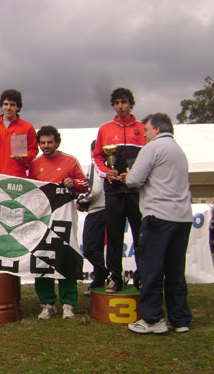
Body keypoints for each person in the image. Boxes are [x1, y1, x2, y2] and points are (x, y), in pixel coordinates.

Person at [122, 113, 193, 334]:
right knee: (175, 271)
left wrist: (126, 176)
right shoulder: (179, 151)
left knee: (152, 269)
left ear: (157, 130)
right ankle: (180, 319)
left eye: (146, 131)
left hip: (158, 217)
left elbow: (134, 180)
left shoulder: (152, 148)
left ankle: (153, 320)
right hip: (182, 218)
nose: (144, 135)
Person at [28, 126, 88, 319]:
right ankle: (47, 303)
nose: (46, 146)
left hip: (65, 219)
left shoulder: (70, 161)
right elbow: (30, 191)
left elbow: (85, 184)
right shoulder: (35, 164)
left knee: (66, 258)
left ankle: (68, 304)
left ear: (56, 142)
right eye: (43, 143)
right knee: (42, 258)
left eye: (50, 142)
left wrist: (74, 184)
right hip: (42, 220)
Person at [92, 87, 145, 293]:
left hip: (136, 191)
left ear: (131, 104)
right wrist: (107, 172)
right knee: (114, 236)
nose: (120, 106)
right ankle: (115, 278)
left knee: (141, 236)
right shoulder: (105, 129)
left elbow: (148, 159)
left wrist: (133, 176)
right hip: (113, 191)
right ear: (113, 106)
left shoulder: (142, 128)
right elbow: (97, 157)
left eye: (124, 102)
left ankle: (141, 277)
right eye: (117, 103)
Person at [0, 89, 38, 177]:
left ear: (18, 107)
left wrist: (24, 157)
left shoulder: (27, 127)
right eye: (5, 104)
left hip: (17, 176)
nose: (8, 108)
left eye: (12, 105)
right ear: (1, 106)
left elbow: (34, 150)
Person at [77, 140, 108, 294]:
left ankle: (105, 273)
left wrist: (80, 200)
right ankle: (100, 282)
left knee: (90, 249)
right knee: (99, 248)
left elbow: (94, 191)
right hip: (110, 209)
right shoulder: (110, 164)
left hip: (97, 211)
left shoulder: (96, 165)